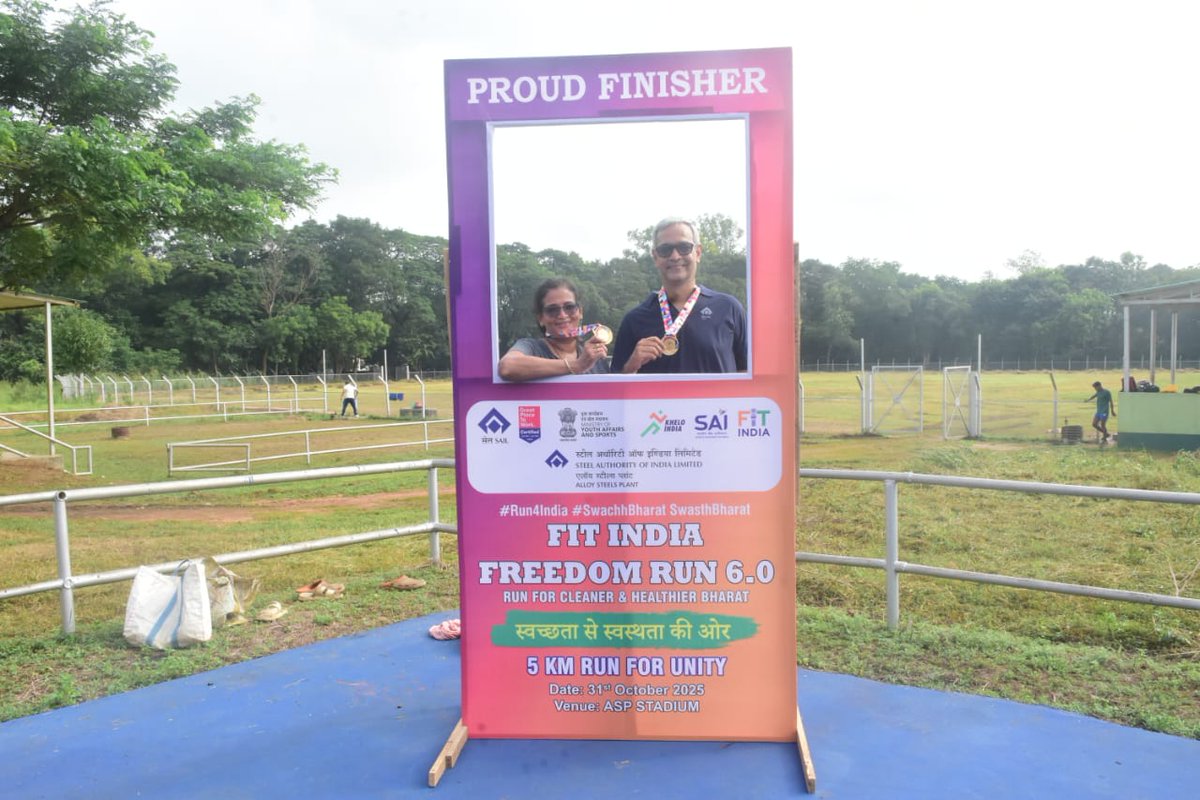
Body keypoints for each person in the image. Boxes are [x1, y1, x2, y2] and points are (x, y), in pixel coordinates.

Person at [610, 217, 747, 374]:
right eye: (665, 250)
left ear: (698, 253)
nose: (675, 256)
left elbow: (747, 373)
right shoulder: (634, 319)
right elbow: (615, 389)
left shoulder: (729, 308)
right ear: (655, 257)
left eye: (684, 247)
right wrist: (631, 365)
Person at [498, 278, 610, 381]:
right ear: (541, 318)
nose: (562, 315)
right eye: (552, 310)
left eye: (569, 307)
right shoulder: (531, 347)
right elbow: (507, 367)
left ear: (580, 312)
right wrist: (577, 365)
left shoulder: (594, 356)